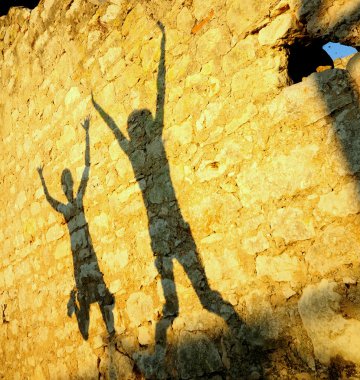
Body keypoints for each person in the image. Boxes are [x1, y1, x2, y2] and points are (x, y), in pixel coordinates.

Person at [92, 21, 245, 362]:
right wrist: (98, 109)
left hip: (166, 228)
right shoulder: (138, 151)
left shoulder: (148, 144)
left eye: (136, 124)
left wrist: (163, 43)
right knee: (178, 304)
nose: (135, 129)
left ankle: (231, 334)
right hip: (162, 232)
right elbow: (119, 127)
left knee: (195, 299)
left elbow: (159, 92)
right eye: (136, 125)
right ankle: (164, 356)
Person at [37, 116, 115, 340]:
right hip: (78, 259)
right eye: (65, 183)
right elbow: (49, 199)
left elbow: (87, 168)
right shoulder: (66, 207)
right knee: (88, 304)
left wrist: (87, 134)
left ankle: (111, 332)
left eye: (67, 182)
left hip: (88, 255)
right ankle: (80, 313)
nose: (67, 185)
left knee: (100, 293)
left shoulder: (78, 201)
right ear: (63, 186)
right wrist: (42, 178)